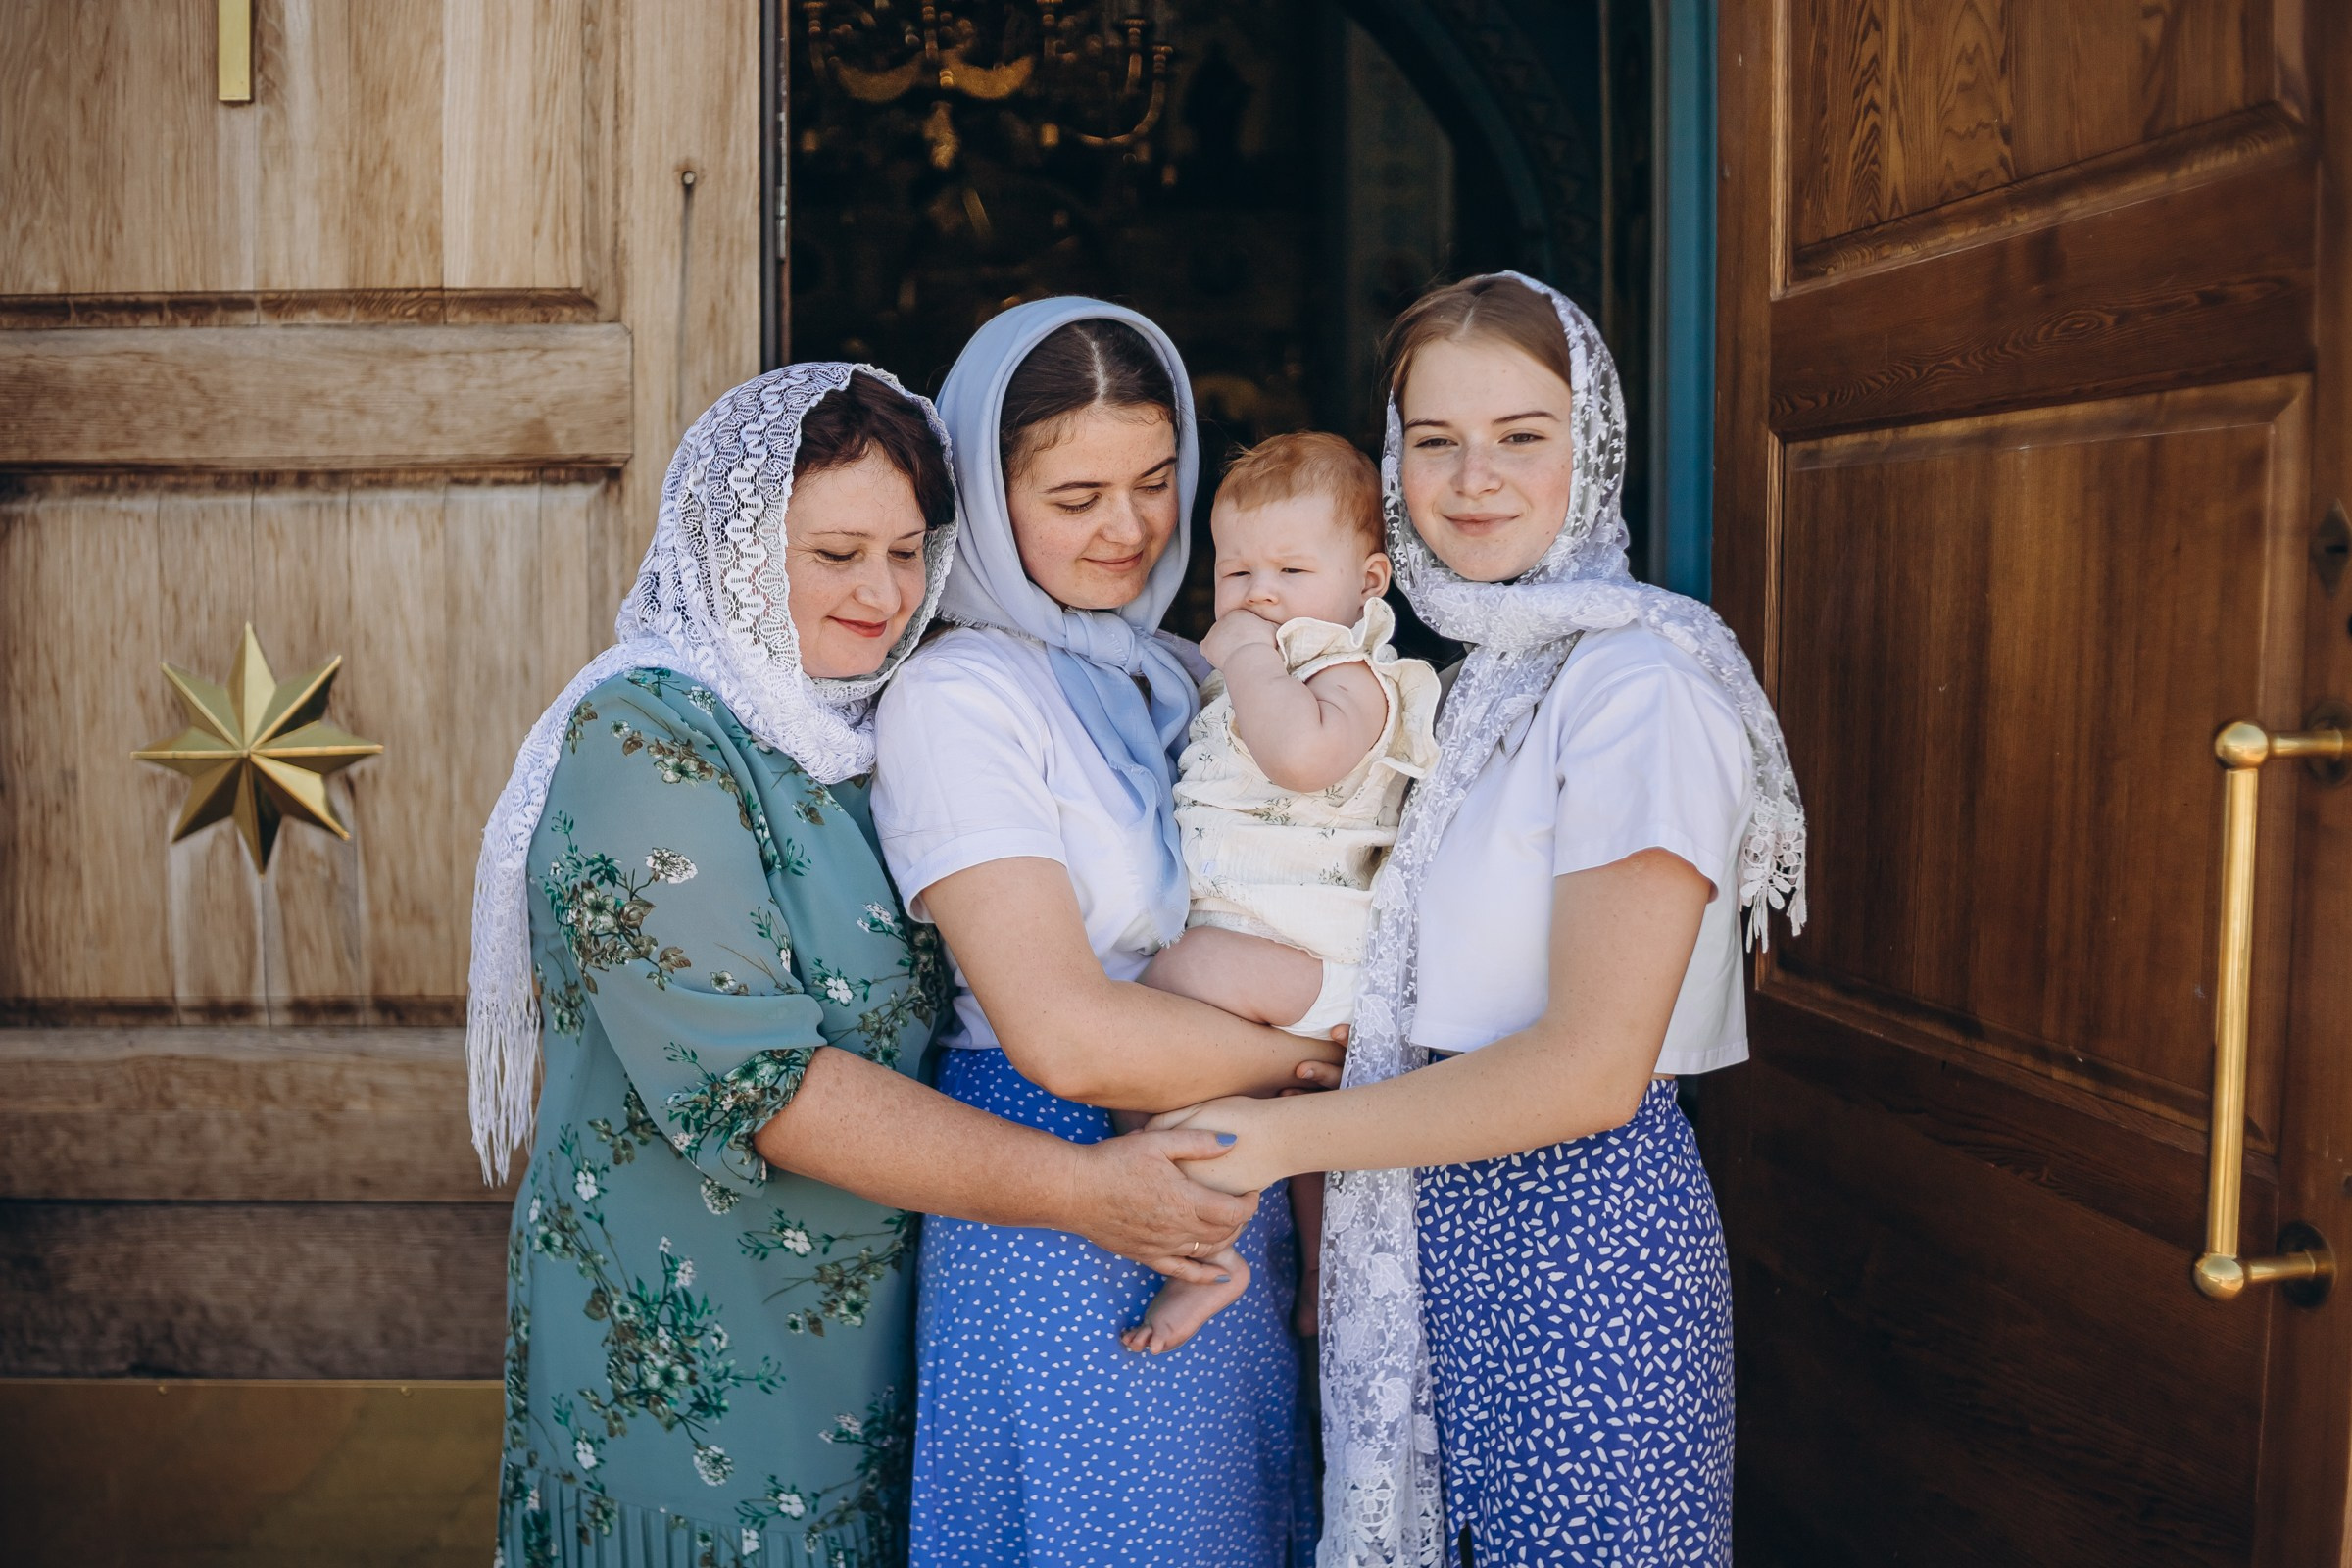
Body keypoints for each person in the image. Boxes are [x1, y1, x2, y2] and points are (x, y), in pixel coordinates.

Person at [466, 364, 1258, 1568]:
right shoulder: (648, 737)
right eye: (837, 555)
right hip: (699, 1359)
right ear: (733, 553)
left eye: (907, 550)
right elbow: (760, 1084)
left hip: (895, 1333)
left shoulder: (873, 721)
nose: (884, 594)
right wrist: (1089, 1193)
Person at [1150, 273, 1809, 1567]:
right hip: (1429, 1231)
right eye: (1435, 441)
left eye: (1524, 436)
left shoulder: (1641, 685)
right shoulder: (1472, 680)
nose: (1474, 477)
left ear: (1594, 448)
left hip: (1575, 1254)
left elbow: (1591, 1070)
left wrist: (1270, 1142)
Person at [872, 302, 1335, 1566]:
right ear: (983, 486)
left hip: (1230, 1175)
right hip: (1060, 1193)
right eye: (1075, 495)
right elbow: (1065, 1035)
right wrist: (1327, 1055)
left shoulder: (1184, 672)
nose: (1127, 529)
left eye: (1153, 481)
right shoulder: (958, 698)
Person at [1119, 431, 1440, 1355]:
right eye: (1237, 573)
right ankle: (1315, 1289)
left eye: (1293, 569)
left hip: (1316, 953)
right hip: (1277, 942)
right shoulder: (1255, 675)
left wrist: (1252, 658)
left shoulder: (1359, 676)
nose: (1260, 595)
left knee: (1149, 1014)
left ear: (1369, 580)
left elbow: (1302, 759)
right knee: (1303, 1149)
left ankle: (1212, 1252)